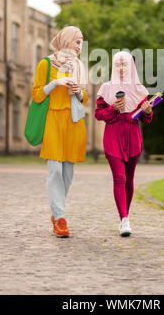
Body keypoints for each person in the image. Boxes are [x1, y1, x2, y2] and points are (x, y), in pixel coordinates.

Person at [31, 26, 88, 238]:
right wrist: (55, 83)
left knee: (68, 173)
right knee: (54, 170)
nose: (79, 46)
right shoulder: (46, 64)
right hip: (52, 120)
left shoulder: (79, 66)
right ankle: (61, 218)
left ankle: (57, 213)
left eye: (81, 42)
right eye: (77, 41)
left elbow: (85, 98)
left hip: (73, 122)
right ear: (65, 40)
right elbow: (37, 95)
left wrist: (79, 92)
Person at [94, 51, 153, 236]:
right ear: (113, 66)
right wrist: (113, 108)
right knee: (119, 177)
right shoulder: (106, 88)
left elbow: (146, 119)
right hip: (112, 137)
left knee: (129, 179)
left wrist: (147, 110)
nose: (121, 69)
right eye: (118, 65)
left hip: (133, 137)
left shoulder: (139, 89)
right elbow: (98, 114)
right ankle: (124, 219)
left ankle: (124, 217)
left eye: (125, 65)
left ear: (131, 67)